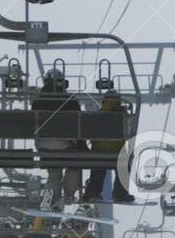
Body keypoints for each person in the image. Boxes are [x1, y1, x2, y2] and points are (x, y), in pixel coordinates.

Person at [31, 65, 83, 207]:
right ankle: (69, 195)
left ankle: (53, 197)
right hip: (65, 144)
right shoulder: (71, 100)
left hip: (43, 144)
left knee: (54, 170)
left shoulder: (38, 101)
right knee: (74, 164)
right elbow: (78, 123)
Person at [81, 74, 135, 205]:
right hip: (117, 153)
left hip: (97, 153)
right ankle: (120, 193)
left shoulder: (96, 115)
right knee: (124, 160)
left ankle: (93, 192)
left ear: (104, 102)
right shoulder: (123, 116)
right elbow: (129, 135)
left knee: (98, 165)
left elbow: (88, 133)